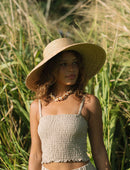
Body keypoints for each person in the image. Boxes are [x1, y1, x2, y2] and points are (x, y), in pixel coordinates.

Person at [26, 38, 111, 170]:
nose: (71, 69)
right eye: (63, 64)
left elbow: (99, 150)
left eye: (75, 63)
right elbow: (36, 155)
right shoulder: (37, 106)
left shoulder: (88, 102)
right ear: (51, 69)